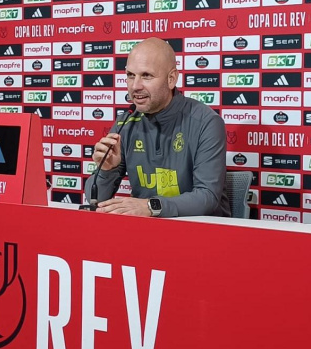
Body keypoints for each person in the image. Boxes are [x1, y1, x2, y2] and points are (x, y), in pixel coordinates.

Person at [83, 37, 230, 217]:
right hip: (145, 231)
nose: (135, 86)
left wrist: (151, 207)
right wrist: (107, 170)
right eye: (130, 75)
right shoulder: (125, 123)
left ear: (171, 79)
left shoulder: (206, 122)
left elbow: (207, 197)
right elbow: (93, 199)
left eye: (146, 76)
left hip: (201, 232)